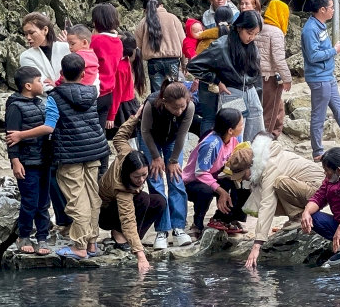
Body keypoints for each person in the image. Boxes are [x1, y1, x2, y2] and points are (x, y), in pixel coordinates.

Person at [8, 53, 109, 259]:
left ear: (61, 74)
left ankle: (79, 247)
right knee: (92, 197)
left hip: (70, 153)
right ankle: (92, 243)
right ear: (83, 73)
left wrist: (21, 135)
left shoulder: (55, 96)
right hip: (95, 150)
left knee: (76, 199)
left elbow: (49, 126)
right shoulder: (92, 92)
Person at [242, 132, 324, 269]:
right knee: (270, 189)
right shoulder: (267, 158)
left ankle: (298, 217)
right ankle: (297, 215)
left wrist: (257, 245)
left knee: (279, 183)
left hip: (318, 191)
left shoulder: (271, 164)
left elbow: (267, 205)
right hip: (309, 189)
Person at [98, 110, 164, 275]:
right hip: (105, 213)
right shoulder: (121, 187)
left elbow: (120, 136)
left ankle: (133, 241)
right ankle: (121, 236)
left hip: (122, 209)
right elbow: (128, 220)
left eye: (144, 174)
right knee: (143, 199)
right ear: (128, 173)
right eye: (137, 177)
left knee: (160, 201)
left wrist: (135, 117)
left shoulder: (127, 152)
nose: (142, 180)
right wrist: (141, 256)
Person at [188, 10, 265, 142]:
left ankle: (252, 160)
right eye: (249, 33)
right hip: (232, 92)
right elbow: (193, 66)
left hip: (251, 91)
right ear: (239, 27)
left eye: (255, 34)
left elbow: (256, 72)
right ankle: (233, 161)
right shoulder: (222, 45)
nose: (251, 38)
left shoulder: (251, 46)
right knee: (235, 135)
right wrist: (216, 81)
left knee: (257, 134)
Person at [139, 79, 196, 249]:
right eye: (174, 107)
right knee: (155, 180)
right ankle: (162, 230)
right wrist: (156, 157)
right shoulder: (152, 104)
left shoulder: (189, 108)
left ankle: (178, 228)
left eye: (182, 107)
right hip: (151, 139)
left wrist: (172, 161)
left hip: (173, 140)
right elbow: (145, 132)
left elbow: (182, 135)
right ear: (165, 102)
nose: (179, 111)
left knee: (176, 178)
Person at [300, 0, 340, 161]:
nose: (333, 11)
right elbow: (313, 56)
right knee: (319, 115)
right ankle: (317, 152)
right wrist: (334, 51)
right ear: (322, 9)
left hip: (327, 76)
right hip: (318, 78)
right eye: (331, 7)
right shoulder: (310, 29)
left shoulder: (320, 25)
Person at [6, 66, 53, 256]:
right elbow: (11, 138)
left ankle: (43, 236)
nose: (42, 84)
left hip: (44, 160)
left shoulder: (40, 103)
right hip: (27, 162)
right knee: (29, 201)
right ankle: (24, 235)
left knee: (43, 202)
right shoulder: (16, 107)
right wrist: (15, 161)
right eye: (39, 81)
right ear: (28, 86)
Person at [183, 107, 247, 235]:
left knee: (243, 184)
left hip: (214, 176)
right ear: (230, 130)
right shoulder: (211, 144)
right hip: (194, 181)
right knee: (205, 191)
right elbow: (200, 172)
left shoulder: (233, 139)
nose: (242, 126)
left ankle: (225, 219)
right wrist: (221, 191)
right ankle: (197, 224)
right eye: (240, 124)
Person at [257, 0, 291, 138]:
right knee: (269, 114)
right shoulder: (276, 32)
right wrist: (287, 78)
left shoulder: (259, 27)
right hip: (269, 78)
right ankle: (265, 143)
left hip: (256, 75)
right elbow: (279, 59)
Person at [134, 0, 184, 92]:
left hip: (154, 63)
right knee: (173, 93)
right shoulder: (173, 18)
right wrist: (184, 64)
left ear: (145, 10)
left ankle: (159, 107)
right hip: (172, 61)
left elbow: (137, 47)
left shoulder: (143, 22)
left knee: (157, 94)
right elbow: (183, 42)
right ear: (161, 6)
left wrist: (136, 69)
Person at [91, 3, 124, 129]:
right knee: (100, 133)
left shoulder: (96, 40)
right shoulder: (118, 42)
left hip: (95, 92)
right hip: (108, 93)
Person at [19, 11, 69, 93]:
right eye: (25, 34)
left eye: (31, 33)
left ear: (45, 30)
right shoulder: (26, 57)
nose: (28, 37)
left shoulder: (65, 48)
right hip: (45, 102)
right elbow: (42, 84)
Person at [110, 32, 146, 134]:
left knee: (124, 138)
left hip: (122, 107)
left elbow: (118, 92)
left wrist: (111, 115)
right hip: (129, 104)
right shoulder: (125, 62)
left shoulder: (119, 68)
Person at [61, 25, 100, 91]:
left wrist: (56, 84)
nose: (70, 47)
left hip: (75, 91)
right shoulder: (93, 55)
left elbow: (67, 71)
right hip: (89, 92)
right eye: (69, 44)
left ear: (84, 43)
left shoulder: (78, 57)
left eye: (72, 44)